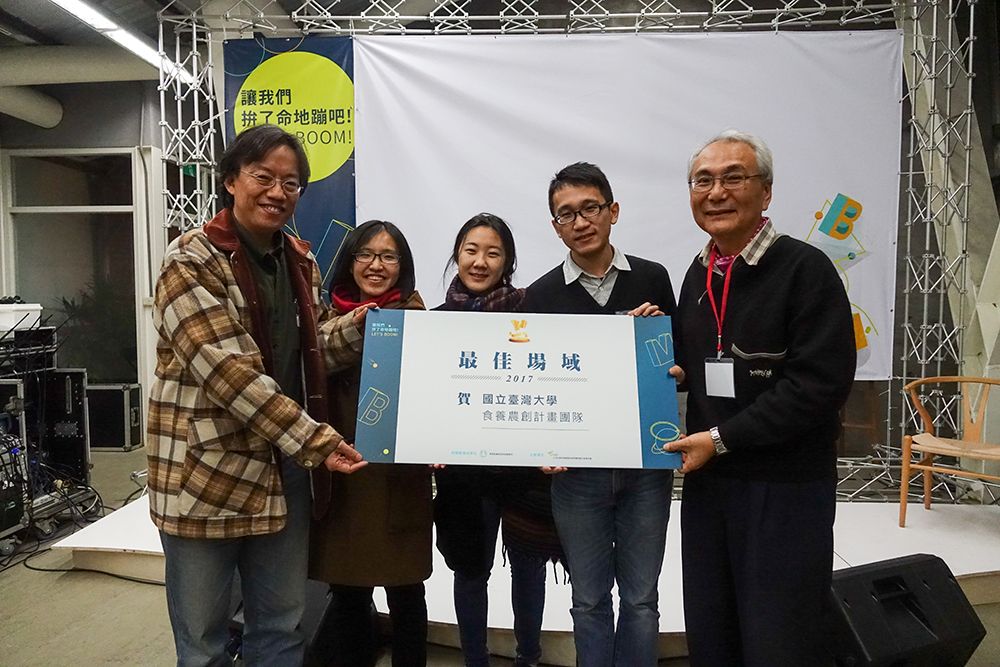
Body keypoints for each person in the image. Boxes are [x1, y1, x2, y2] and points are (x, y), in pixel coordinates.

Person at [147, 124, 367, 667]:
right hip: (207, 474)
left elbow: (312, 351)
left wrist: (366, 329)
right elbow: (227, 372)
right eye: (263, 177)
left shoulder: (299, 260)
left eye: (290, 184)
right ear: (230, 181)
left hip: (283, 471)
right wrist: (315, 441)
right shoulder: (190, 260)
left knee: (281, 626)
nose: (277, 192)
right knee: (203, 642)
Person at [667, 130, 855, 666]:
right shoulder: (697, 274)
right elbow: (698, 365)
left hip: (785, 488)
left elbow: (817, 386)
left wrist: (721, 439)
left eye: (734, 178)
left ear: (766, 191)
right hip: (710, 488)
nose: (716, 192)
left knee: (780, 637)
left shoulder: (805, 270)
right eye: (703, 180)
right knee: (713, 632)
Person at [521, 162, 677, 667]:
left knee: (641, 599)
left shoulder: (652, 278)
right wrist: (538, 446)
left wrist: (662, 350)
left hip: (645, 468)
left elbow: (676, 367)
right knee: (588, 601)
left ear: (613, 211)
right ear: (555, 227)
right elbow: (533, 383)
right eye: (566, 214)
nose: (580, 221)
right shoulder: (540, 295)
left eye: (590, 208)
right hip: (577, 474)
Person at [432, 213, 564, 667]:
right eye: (471, 251)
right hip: (463, 475)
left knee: (528, 568)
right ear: (457, 255)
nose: (480, 262)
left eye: (493, 253)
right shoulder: (435, 322)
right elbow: (428, 397)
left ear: (507, 261)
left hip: (525, 471)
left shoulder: (531, 316)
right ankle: (475, 660)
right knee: (470, 571)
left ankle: (529, 657)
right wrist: (424, 440)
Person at [308, 220, 432, 667]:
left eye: (388, 256)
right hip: (343, 471)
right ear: (350, 261)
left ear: (403, 266)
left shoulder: (418, 319)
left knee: (406, 588)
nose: (376, 265)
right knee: (347, 589)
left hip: (398, 479)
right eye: (366, 254)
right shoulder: (324, 319)